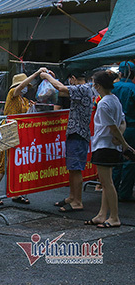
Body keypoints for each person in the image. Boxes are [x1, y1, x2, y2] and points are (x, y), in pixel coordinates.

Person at [85, 70, 135, 229]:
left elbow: (113, 127)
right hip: (110, 146)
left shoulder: (104, 103)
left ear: (98, 86)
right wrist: (121, 139)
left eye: (94, 84)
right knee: (107, 183)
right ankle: (102, 214)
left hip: (104, 146)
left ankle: (114, 217)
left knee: (107, 183)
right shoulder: (114, 100)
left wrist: (124, 144)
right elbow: (122, 122)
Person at [40, 69, 94, 212]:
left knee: (76, 169)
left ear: (74, 78)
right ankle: (72, 197)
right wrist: (52, 78)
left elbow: (60, 88)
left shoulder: (82, 89)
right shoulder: (86, 88)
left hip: (78, 133)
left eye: (70, 80)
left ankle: (77, 201)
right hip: (76, 132)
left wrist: (45, 76)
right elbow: (61, 91)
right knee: (72, 167)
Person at [0, 69, 44, 205]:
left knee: (17, 163)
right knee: (4, 163)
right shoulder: (12, 94)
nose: (26, 88)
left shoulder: (25, 100)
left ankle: (16, 193)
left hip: (20, 133)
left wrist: (32, 108)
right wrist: (36, 73)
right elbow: (20, 87)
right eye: (24, 85)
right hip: (8, 131)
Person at [111, 61, 135, 202]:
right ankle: (124, 193)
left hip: (113, 129)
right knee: (129, 160)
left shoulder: (112, 87)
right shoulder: (133, 89)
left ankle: (112, 190)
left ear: (120, 73)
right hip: (131, 129)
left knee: (115, 160)